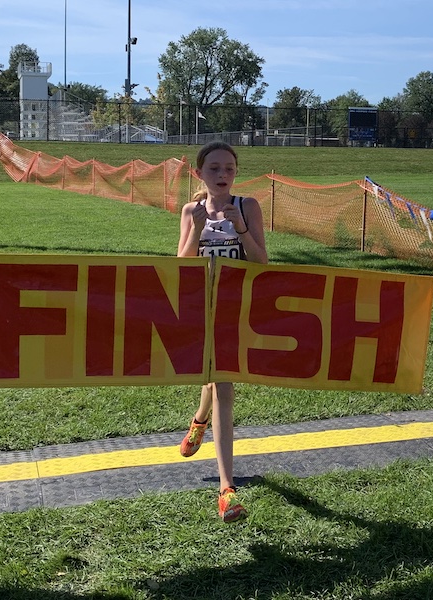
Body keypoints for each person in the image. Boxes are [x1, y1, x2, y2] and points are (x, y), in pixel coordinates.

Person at [176, 141, 267, 522]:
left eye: (229, 168)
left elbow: (262, 261)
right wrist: (197, 229)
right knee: (213, 380)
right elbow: (180, 265)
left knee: (222, 384)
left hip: (235, 308)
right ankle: (200, 421)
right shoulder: (191, 210)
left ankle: (226, 489)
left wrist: (242, 229)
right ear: (199, 174)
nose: (222, 175)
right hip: (202, 308)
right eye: (214, 168)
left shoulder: (248, 206)